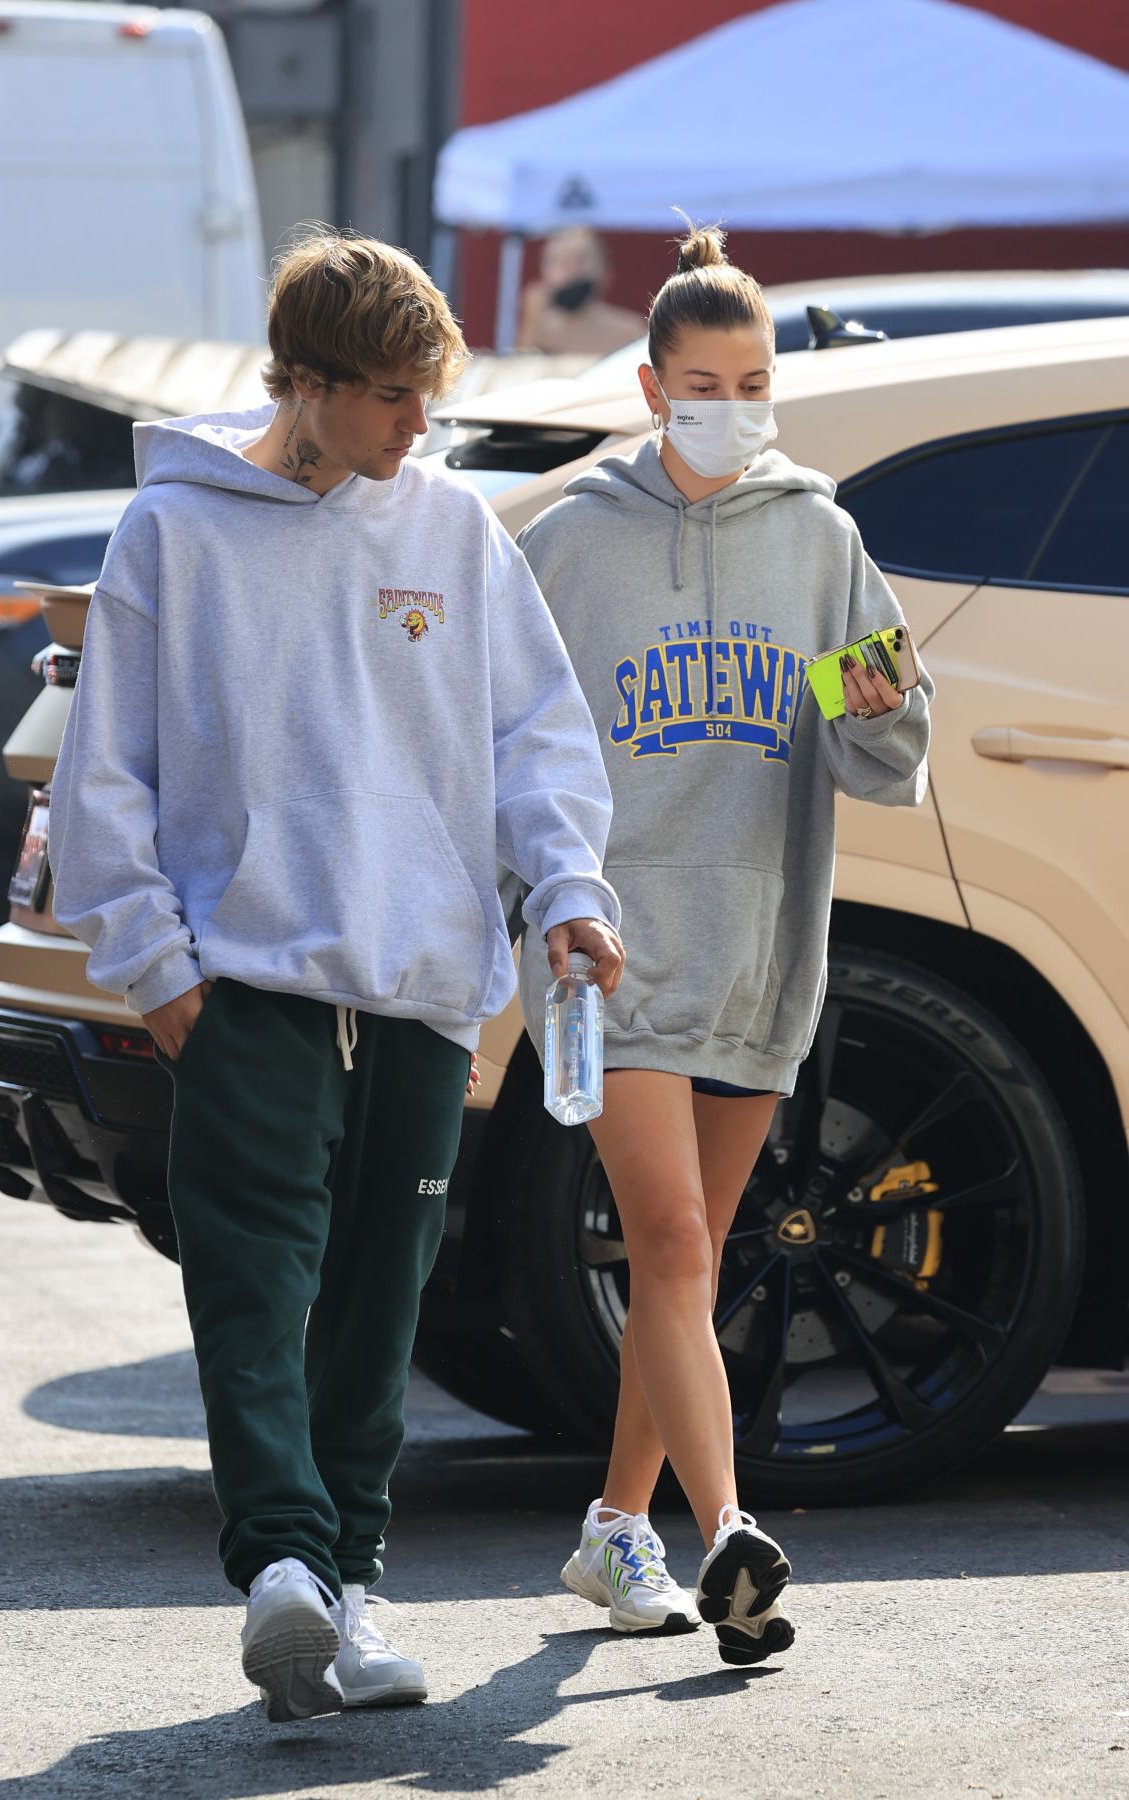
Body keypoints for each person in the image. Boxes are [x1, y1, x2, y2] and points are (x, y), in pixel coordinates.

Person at [48, 226, 624, 1721]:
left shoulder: (449, 529)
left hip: (425, 989)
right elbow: (104, 777)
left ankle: (349, 1592)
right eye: (390, 398)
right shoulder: (171, 535)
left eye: (429, 397)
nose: (418, 427)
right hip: (248, 988)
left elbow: (537, 736)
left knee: (382, 1309)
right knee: (256, 1292)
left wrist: (565, 890)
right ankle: (284, 1572)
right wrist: (164, 974)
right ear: (302, 383)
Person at [516, 224, 933, 1667]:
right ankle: (731, 1533)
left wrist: (876, 705)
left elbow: (891, 743)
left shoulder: (820, 542)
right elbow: (503, 741)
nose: (733, 405)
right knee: (676, 1238)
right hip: (607, 950)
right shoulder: (569, 545)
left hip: (760, 943)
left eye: (755, 380)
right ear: (649, 387)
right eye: (705, 381)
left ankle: (614, 1528)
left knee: (683, 1267)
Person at [517, 226, 644, 356]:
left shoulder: (630, 332)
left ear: (606, 272)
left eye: (581, 261)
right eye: (561, 262)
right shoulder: (539, 331)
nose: (572, 271)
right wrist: (531, 322)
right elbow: (521, 369)